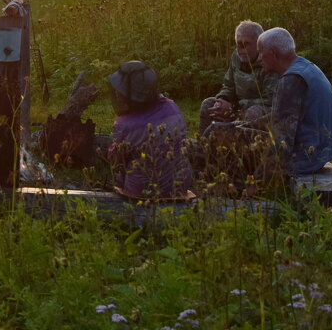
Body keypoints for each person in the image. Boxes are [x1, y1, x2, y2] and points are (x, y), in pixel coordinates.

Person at [254, 27, 332, 174]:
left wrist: (257, 180)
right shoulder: (306, 67)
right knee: (242, 126)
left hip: (306, 157)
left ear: (273, 53)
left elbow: (282, 139)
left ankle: (223, 188)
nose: (258, 58)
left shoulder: (291, 80)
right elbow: (285, 116)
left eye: (261, 52)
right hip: (320, 151)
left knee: (228, 137)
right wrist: (250, 123)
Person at [106, 60, 194, 200]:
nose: (117, 95)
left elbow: (115, 160)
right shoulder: (172, 108)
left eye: (121, 92)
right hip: (180, 188)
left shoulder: (125, 125)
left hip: (140, 193)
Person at [200, 20, 277, 133]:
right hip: (238, 107)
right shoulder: (236, 57)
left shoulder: (269, 62)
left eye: (246, 44)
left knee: (253, 112)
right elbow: (228, 85)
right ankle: (205, 145)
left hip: (264, 112)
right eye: (238, 43)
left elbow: (271, 100)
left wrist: (235, 106)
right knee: (208, 105)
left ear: (259, 43)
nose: (240, 49)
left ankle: (249, 148)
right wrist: (222, 100)